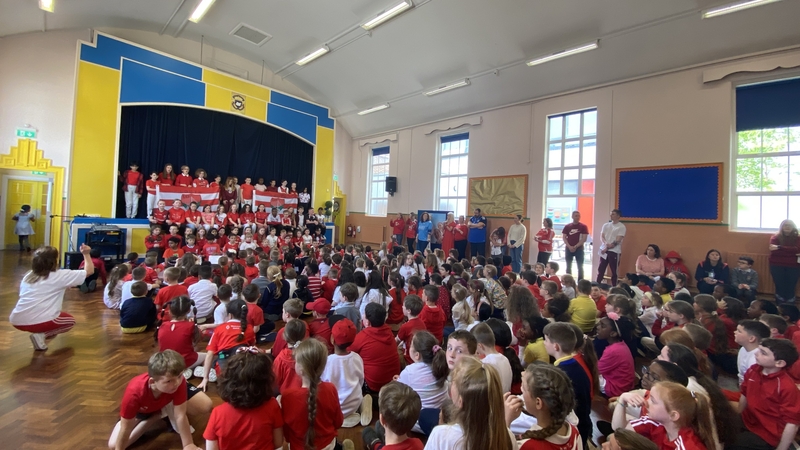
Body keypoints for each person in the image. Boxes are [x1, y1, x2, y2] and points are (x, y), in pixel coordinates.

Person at [108, 350, 207, 450]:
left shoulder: (179, 383)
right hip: (144, 410)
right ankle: (156, 417)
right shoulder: (134, 393)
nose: (177, 382)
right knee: (113, 445)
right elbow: (126, 427)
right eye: (169, 381)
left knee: (204, 406)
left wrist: (188, 444)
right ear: (152, 382)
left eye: (179, 376)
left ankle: (164, 411)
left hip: (164, 401)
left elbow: (180, 415)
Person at [10, 244, 93, 350]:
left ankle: (40, 338)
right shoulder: (60, 275)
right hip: (37, 321)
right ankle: (42, 335)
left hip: (16, 320)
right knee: (69, 322)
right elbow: (89, 271)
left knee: (54, 318)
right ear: (54, 261)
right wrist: (86, 254)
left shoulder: (29, 275)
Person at [424, 357, 516, 450]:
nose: (450, 384)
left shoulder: (441, 436)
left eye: (453, 381)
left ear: (460, 402)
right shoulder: (508, 437)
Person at [203, 348, 283, 450]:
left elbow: (211, 448)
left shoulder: (218, 413)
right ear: (266, 381)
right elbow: (278, 443)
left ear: (228, 381)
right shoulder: (272, 406)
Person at [281, 339, 352, 450]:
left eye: (296, 361)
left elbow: (286, 433)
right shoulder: (331, 389)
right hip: (328, 446)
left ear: (301, 369)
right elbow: (338, 422)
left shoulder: (287, 397)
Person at [732, 338, 800, 450]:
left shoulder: (786, 386)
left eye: (763, 353)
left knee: (732, 443)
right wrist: (737, 416)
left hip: (767, 432)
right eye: (759, 349)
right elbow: (744, 393)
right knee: (719, 427)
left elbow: (792, 423)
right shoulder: (754, 369)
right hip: (748, 419)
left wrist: (781, 448)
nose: (756, 353)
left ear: (779, 363)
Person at [613, 381, 715, 450]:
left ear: (673, 415)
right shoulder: (656, 422)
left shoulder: (688, 446)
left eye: (653, 401)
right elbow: (620, 430)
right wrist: (622, 399)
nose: (646, 402)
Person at [504, 363, 582, 450]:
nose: (521, 391)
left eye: (524, 390)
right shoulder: (574, 432)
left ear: (538, 403)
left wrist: (505, 422)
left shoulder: (526, 446)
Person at [543, 322, 592, 447]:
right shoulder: (577, 364)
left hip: (572, 428)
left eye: (546, 340)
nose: (544, 343)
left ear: (556, 346)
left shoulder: (559, 374)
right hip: (583, 422)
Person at [321, 317, 372, 428]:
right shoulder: (357, 358)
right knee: (363, 396)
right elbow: (361, 381)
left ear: (332, 339)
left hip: (335, 407)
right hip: (354, 402)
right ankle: (360, 412)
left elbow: (323, 385)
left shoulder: (327, 362)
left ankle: (341, 420)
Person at [396, 330, 449, 434]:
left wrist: (399, 379)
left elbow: (398, 389)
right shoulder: (440, 366)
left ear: (417, 355)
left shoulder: (409, 372)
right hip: (441, 417)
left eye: (411, 345)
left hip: (418, 423)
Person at [197, 300, 256, 391]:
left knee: (210, 360)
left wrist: (205, 378)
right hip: (244, 369)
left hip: (224, 369)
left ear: (230, 315)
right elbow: (252, 346)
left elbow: (210, 354)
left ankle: (207, 372)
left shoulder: (220, 328)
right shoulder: (249, 329)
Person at [351, 303, 402, 395]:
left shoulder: (363, 336)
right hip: (393, 380)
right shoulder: (389, 332)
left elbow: (347, 350)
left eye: (364, 316)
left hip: (373, 385)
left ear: (367, 322)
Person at [361, 382, 424, 450]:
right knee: (378, 425)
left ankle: (377, 445)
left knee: (367, 432)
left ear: (382, 419)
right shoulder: (418, 444)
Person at [769, 219, 800, 304]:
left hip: (794, 266)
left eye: (790, 225)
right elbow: (774, 251)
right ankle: (780, 306)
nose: (787, 227)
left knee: (791, 286)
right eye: (785, 225)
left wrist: (780, 247)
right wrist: (792, 253)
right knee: (779, 286)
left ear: (793, 227)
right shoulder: (775, 237)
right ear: (781, 227)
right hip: (776, 265)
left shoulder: (798, 238)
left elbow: (797, 249)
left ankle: (790, 307)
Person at [597, 209, 626, 285]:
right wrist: (605, 243)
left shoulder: (621, 226)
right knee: (601, 269)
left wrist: (607, 247)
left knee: (614, 271)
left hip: (614, 251)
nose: (611, 215)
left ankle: (614, 286)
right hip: (604, 250)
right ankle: (597, 284)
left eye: (613, 214)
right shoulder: (606, 225)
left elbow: (618, 240)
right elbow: (602, 236)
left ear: (618, 216)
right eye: (611, 214)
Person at [562, 211, 589, 280]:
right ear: (572, 217)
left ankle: (580, 281)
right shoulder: (567, 226)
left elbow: (584, 238)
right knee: (568, 266)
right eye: (576, 216)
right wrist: (569, 246)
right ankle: (568, 281)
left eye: (579, 216)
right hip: (568, 249)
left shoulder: (583, 226)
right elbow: (564, 237)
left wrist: (575, 246)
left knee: (580, 266)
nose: (577, 217)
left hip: (579, 249)